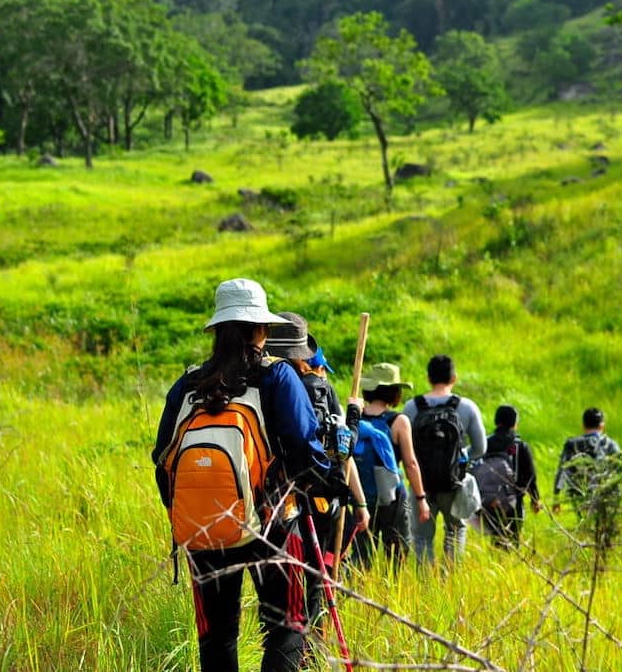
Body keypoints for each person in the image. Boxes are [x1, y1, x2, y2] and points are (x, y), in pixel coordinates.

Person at [151, 278, 324, 672]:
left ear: (216, 329)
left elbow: (162, 458)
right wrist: (323, 479)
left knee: (217, 635)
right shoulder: (277, 376)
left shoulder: (188, 383)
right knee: (286, 626)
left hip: (203, 525)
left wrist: (183, 512)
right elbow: (304, 446)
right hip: (273, 522)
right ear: (262, 329)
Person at [264, 312, 369, 626]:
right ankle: (310, 645)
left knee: (277, 589)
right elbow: (342, 448)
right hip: (315, 495)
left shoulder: (256, 381)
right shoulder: (319, 389)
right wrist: (353, 416)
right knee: (314, 575)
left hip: (266, 498)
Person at [402, 354, 486, 564]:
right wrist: (460, 458)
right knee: (455, 531)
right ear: (454, 378)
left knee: (422, 537)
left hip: (421, 486)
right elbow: (480, 448)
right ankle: (450, 582)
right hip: (453, 484)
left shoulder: (412, 407)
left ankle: (425, 586)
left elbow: (403, 449)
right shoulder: (466, 407)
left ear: (429, 378)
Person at [353, 363, 431, 567]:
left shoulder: (354, 418)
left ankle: (359, 592)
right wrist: (421, 498)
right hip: (392, 497)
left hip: (360, 495)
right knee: (397, 554)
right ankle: (393, 592)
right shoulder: (399, 421)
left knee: (361, 555)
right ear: (395, 391)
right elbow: (410, 463)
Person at [477, 405, 541, 548]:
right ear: (515, 423)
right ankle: (509, 562)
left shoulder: (485, 444)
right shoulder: (520, 445)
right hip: (514, 499)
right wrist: (535, 499)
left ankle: (497, 559)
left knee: (496, 535)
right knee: (513, 537)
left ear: (496, 421)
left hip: (489, 498)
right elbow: (530, 474)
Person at [553, 407, 622, 511]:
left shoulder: (572, 444)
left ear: (583, 425)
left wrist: (556, 496)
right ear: (602, 425)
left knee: (584, 519)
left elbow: (562, 470)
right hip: (606, 494)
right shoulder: (610, 444)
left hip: (579, 494)